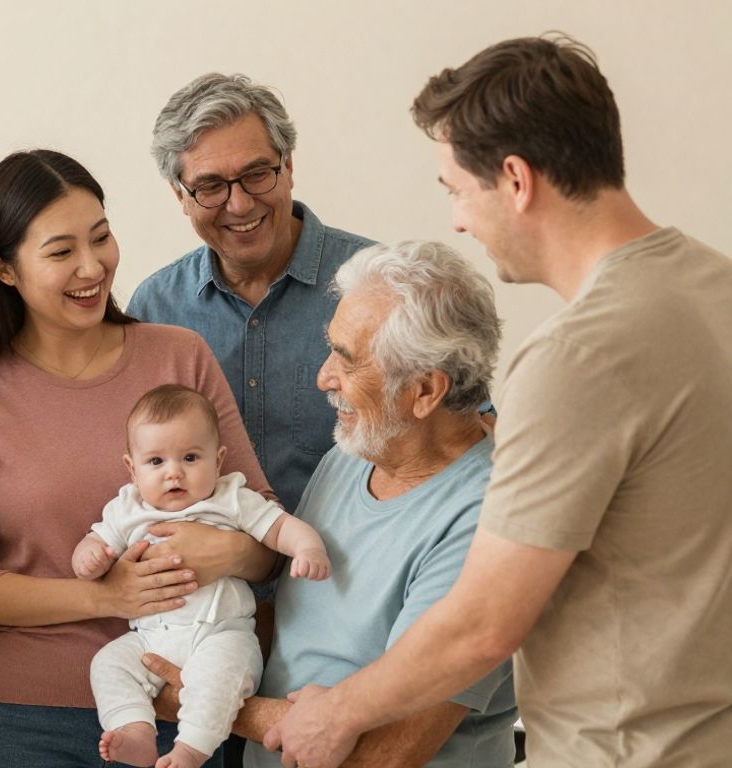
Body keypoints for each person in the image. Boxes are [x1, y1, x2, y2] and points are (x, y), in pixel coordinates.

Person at [270, 35, 732, 768]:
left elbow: (485, 624)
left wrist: (337, 714)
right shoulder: (717, 288)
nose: (458, 219)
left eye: (456, 188)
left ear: (515, 179)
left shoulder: (578, 355)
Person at [0, 148, 279, 768]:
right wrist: (105, 598)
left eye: (102, 238)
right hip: (21, 719)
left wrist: (226, 550)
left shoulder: (178, 356)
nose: (93, 267)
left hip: (182, 709)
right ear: (4, 270)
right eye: (61, 252)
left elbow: (266, 528)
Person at [145, 241, 516, 767]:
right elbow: (300, 628)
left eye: (347, 360)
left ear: (425, 391)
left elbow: (391, 750)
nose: (324, 377)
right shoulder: (355, 453)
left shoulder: (487, 523)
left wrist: (207, 703)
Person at [129, 73, 375, 512]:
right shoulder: (155, 307)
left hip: (348, 571)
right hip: (205, 577)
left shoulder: (376, 284)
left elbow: (461, 433)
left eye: (257, 174)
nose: (239, 204)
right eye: (209, 187)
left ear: (289, 167)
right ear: (179, 195)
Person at [79, 385, 329, 768]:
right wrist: (90, 558)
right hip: (150, 638)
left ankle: (191, 749)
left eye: (191, 457)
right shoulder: (127, 508)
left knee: (220, 677)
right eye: (156, 462)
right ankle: (136, 731)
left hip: (222, 633)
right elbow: (94, 541)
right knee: (107, 664)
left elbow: (280, 528)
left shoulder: (230, 497)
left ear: (219, 460)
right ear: (132, 468)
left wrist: (308, 548)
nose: (174, 472)